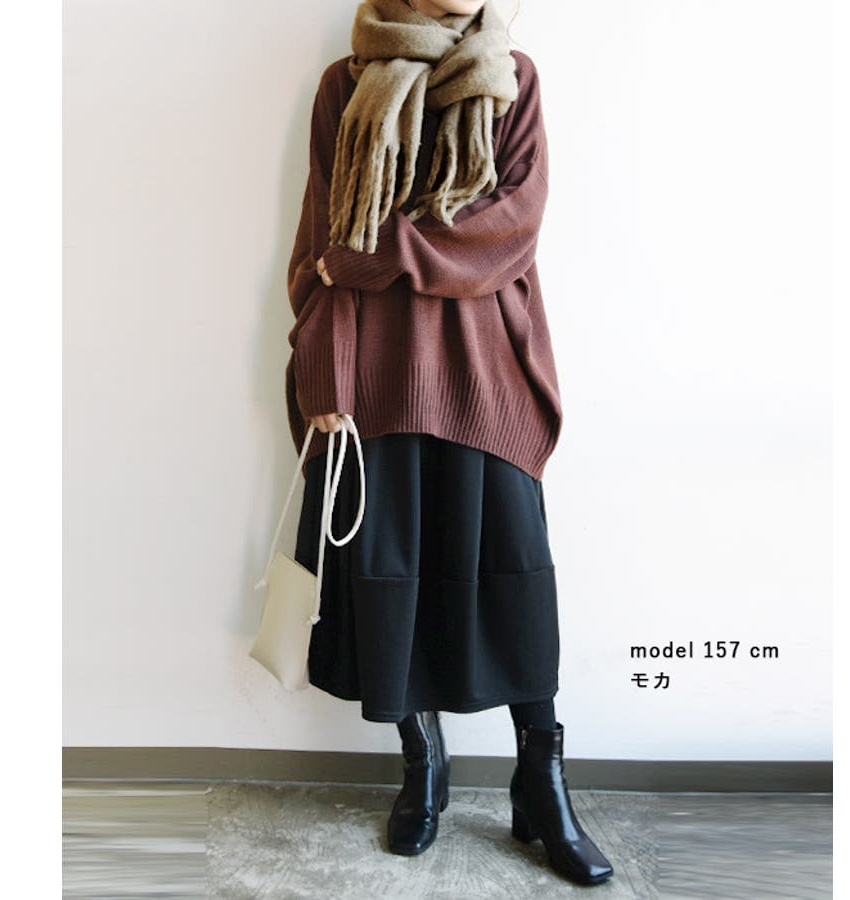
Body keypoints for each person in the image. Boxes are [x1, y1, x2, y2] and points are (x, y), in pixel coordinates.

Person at [285, 0, 614, 886]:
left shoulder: (512, 77)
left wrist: (382, 251)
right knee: (389, 572)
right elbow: (321, 241)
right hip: (377, 371)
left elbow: (508, 230)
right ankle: (421, 765)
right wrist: (325, 372)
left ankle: (540, 782)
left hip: (485, 367)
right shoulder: (347, 84)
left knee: (514, 572)